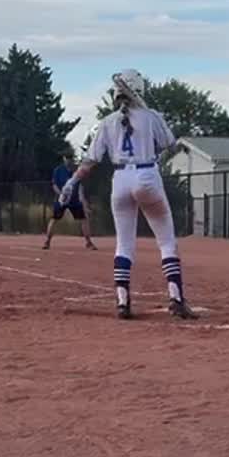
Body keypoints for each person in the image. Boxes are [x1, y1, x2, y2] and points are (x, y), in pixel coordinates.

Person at [60, 69, 193, 320]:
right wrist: (157, 125)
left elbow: (90, 161)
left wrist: (72, 182)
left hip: (120, 179)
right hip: (147, 175)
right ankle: (176, 298)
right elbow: (171, 145)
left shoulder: (107, 122)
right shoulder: (151, 116)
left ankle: (123, 302)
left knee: (124, 244)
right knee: (166, 241)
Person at [43, 155, 99, 250]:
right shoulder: (58, 170)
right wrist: (62, 194)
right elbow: (54, 185)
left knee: (84, 219)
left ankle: (88, 242)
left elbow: (80, 186)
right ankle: (47, 242)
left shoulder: (77, 170)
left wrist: (83, 201)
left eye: (70, 158)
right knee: (54, 219)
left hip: (74, 200)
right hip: (61, 200)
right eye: (67, 158)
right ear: (64, 159)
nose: (69, 160)